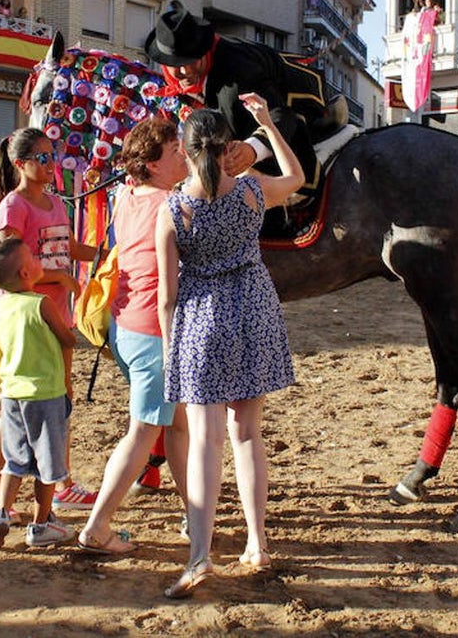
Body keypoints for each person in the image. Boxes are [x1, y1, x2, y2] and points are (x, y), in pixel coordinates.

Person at [156, 94, 302, 599]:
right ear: (227, 148)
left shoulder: (175, 208)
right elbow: (298, 178)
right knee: (248, 434)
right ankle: (257, 543)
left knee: (205, 441)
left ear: (184, 147)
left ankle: (200, 555)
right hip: (254, 310)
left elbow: (166, 294)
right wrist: (267, 125)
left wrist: (170, 351)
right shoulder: (252, 191)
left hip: (201, 318)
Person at [76, 118, 191, 556]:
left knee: (177, 427)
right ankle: (97, 526)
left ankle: (192, 511)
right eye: (174, 150)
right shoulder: (172, 203)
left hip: (125, 326)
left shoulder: (126, 194)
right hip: (154, 332)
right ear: (152, 162)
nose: (182, 154)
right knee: (143, 432)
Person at [0, 127, 101, 518]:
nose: (52, 165)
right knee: (11, 404)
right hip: (21, 314)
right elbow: (8, 265)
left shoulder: (55, 203)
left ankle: (61, 481)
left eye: (53, 156)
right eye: (43, 158)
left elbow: (65, 246)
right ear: (21, 164)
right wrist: (61, 278)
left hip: (53, 311)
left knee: (59, 397)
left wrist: (104, 254)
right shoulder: (13, 208)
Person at [145, 1, 345, 200]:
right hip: (239, 120)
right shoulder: (169, 86)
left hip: (295, 103)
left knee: (254, 194)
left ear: (203, 50)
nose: (186, 71)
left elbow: (280, 114)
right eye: (177, 65)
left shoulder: (238, 73)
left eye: (192, 60)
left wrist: (252, 150)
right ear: (163, 62)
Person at [0, 236, 78, 550]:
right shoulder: (41, 303)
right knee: (48, 464)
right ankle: (41, 523)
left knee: (15, 460)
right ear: (25, 273)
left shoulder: (2, 306)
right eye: (33, 259)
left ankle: (0, 513)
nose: (39, 262)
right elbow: (67, 338)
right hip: (46, 393)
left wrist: (0, 387)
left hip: (12, 393)